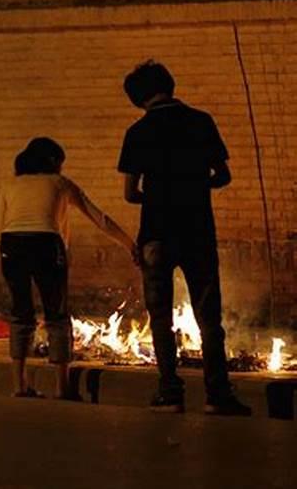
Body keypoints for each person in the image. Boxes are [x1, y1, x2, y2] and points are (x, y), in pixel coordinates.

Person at [118, 60, 251, 415]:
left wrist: (160, 193)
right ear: (170, 85)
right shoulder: (201, 121)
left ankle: (170, 392)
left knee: (160, 316)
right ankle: (217, 395)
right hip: (197, 231)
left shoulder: (137, 131)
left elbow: (130, 193)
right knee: (209, 318)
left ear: (138, 98)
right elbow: (223, 175)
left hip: (156, 235)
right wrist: (194, 186)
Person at [0, 137, 136, 399]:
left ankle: (19, 385)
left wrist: (5, 262)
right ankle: (63, 387)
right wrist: (130, 244)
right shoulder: (60, 183)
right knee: (56, 314)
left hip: (11, 245)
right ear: (51, 162)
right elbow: (99, 218)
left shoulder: (9, 184)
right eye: (59, 162)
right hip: (46, 244)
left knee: (20, 313)